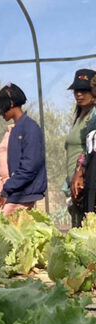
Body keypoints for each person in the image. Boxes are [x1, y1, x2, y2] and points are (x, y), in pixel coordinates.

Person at [0, 83, 47, 215]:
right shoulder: (14, 129)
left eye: (1, 106)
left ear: (11, 103)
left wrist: (8, 187)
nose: (0, 112)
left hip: (20, 195)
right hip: (10, 192)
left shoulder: (30, 128)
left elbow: (29, 167)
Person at [65, 69, 96, 227]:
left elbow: (90, 149)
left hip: (86, 183)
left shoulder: (93, 116)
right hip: (76, 186)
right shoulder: (80, 117)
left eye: (84, 90)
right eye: (76, 90)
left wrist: (81, 172)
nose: (79, 94)